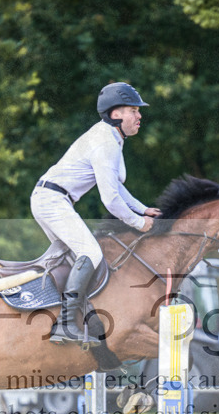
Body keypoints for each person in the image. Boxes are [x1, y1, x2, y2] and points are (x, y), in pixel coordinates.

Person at [31, 81, 162, 346]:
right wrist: (139, 223)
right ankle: (65, 325)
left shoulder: (110, 137)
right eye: (133, 111)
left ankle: (66, 318)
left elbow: (116, 187)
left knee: (72, 261)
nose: (139, 116)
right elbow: (110, 199)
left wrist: (143, 208)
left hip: (51, 198)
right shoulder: (105, 142)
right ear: (116, 114)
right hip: (52, 200)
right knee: (90, 253)